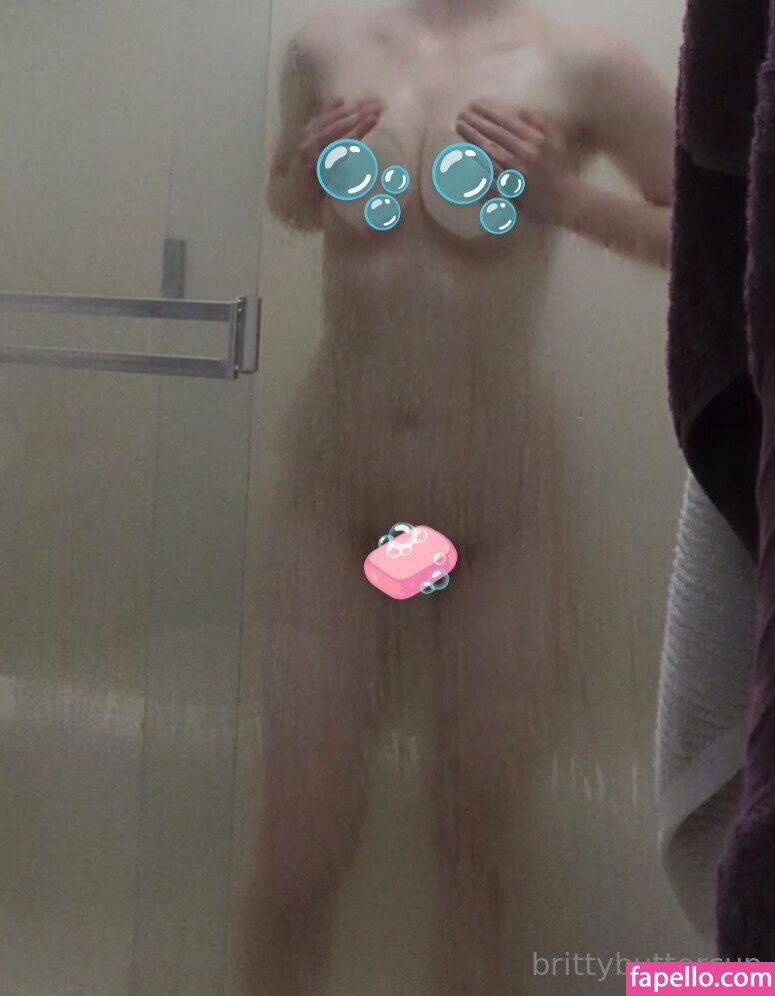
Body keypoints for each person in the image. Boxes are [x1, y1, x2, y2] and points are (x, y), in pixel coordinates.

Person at [243, 1, 674, 991]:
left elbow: (715, 234)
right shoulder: (323, 44)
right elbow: (288, 201)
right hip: (336, 494)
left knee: (476, 855)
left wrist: (566, 200)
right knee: (297, 852)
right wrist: (304, 173)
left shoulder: (586, 65)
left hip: (498, 516)